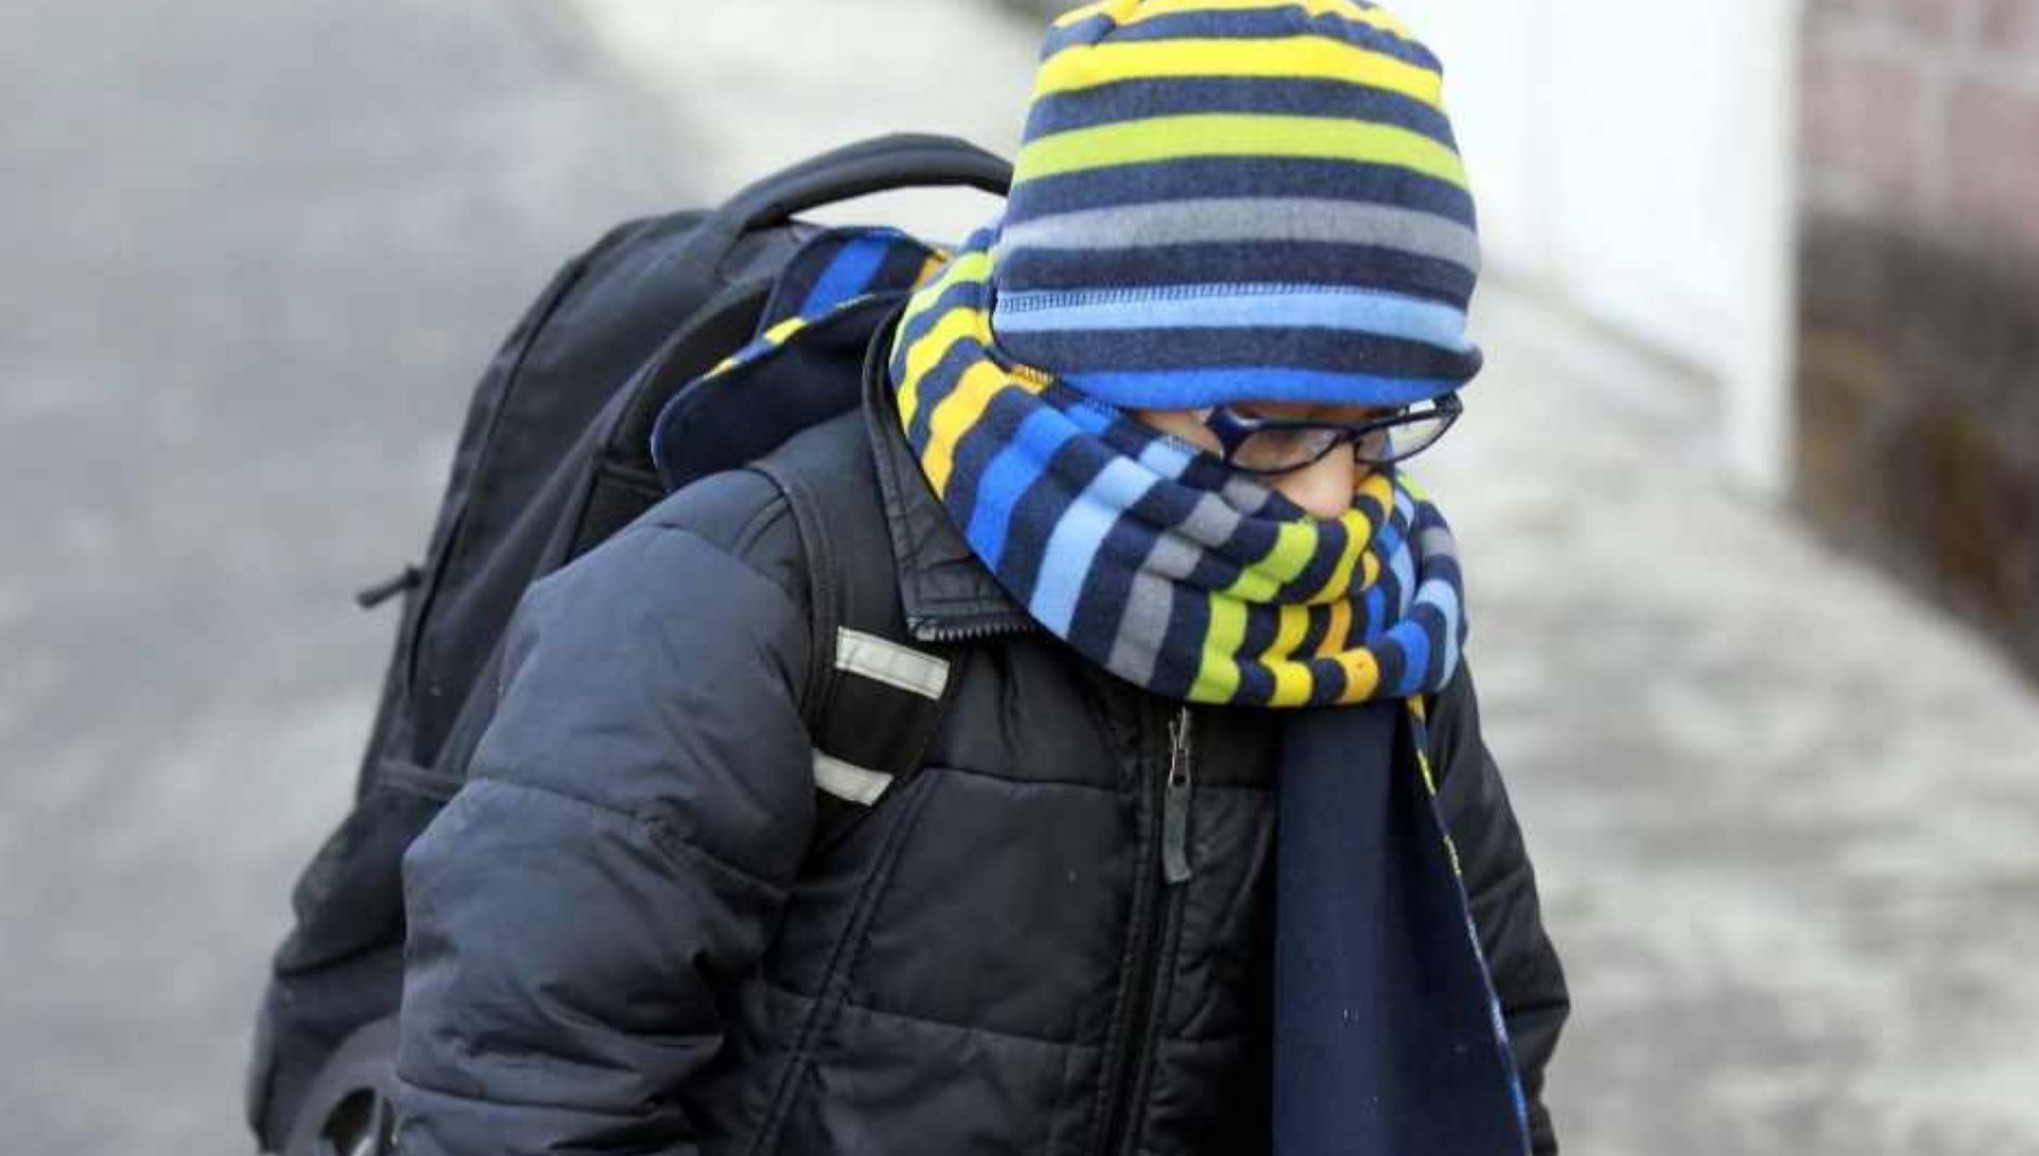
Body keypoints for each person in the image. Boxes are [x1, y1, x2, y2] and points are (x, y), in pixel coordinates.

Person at [391, 2, 1569, 1154]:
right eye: (1270, 425)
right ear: (1089, 350)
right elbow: (522, 1092)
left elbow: (1488, 1047)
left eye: (1376, 429)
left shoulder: (1370, 630)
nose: (1330, 502)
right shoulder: (751, 595)